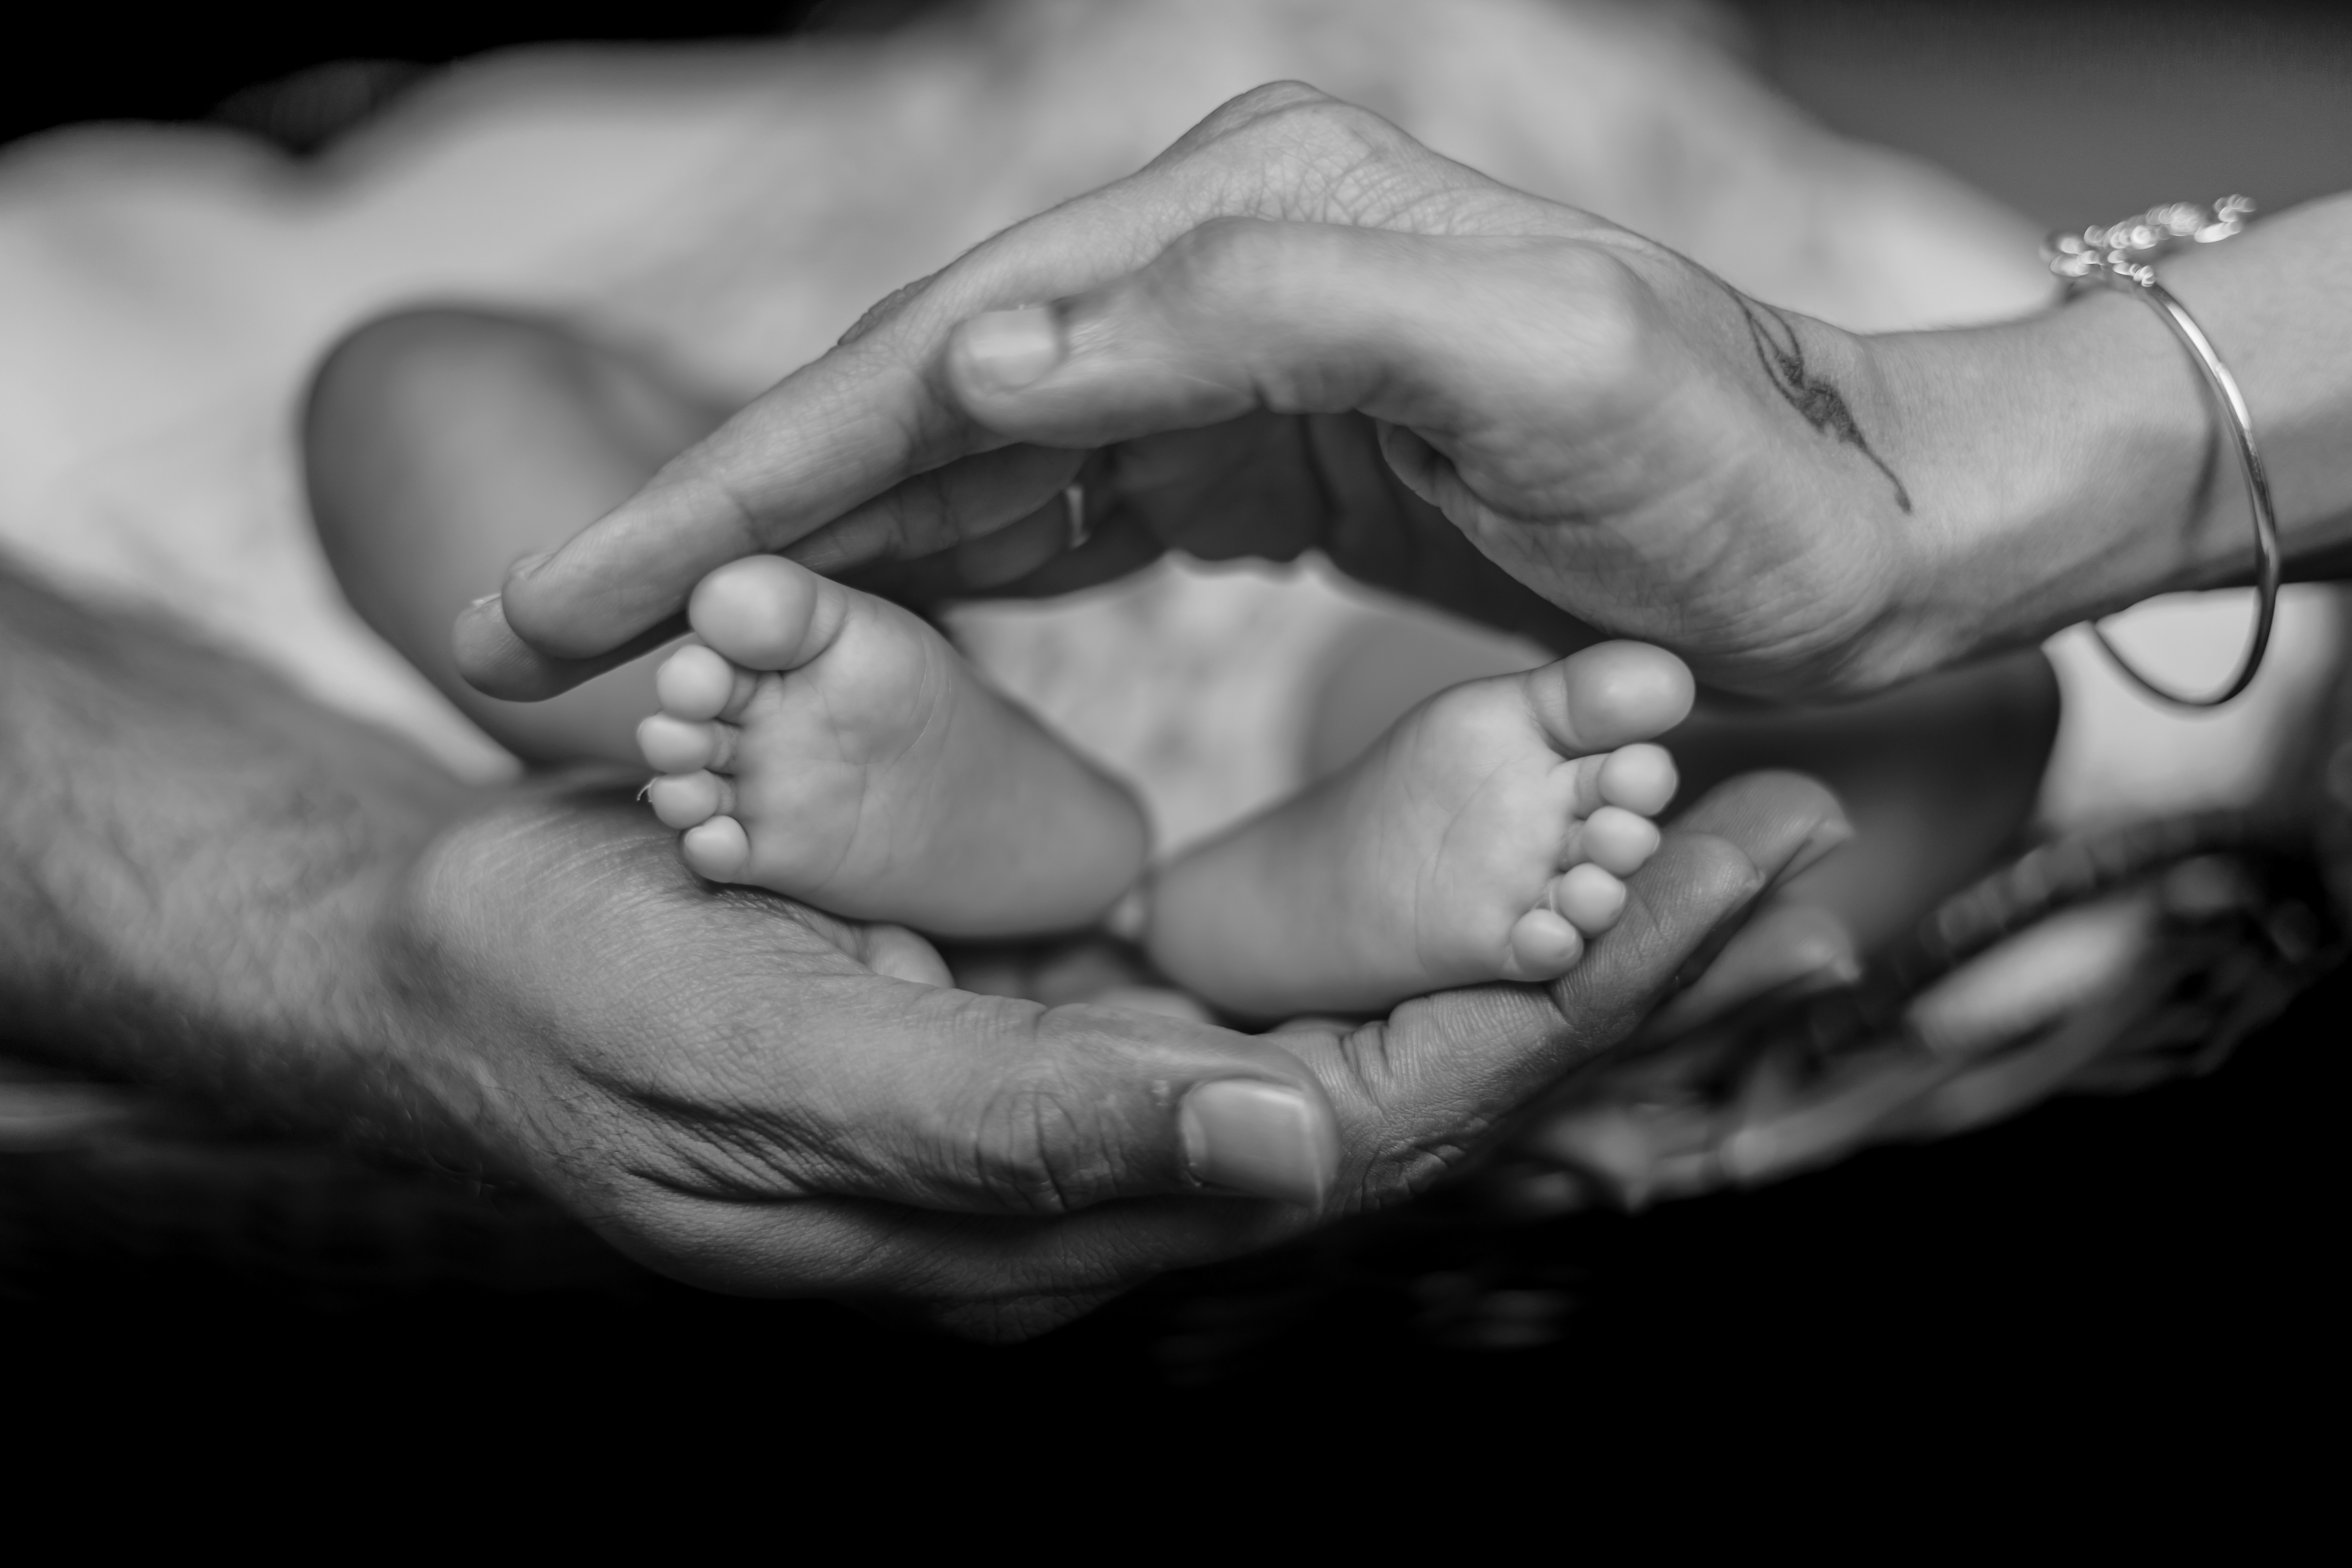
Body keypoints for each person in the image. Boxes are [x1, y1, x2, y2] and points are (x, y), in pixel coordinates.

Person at [456, 82, 2352, 726]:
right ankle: (926, 801)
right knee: (447, 387)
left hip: (1401, 613)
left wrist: (1968, 460)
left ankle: (1281, 886)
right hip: (993, 517)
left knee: (1940, 710)